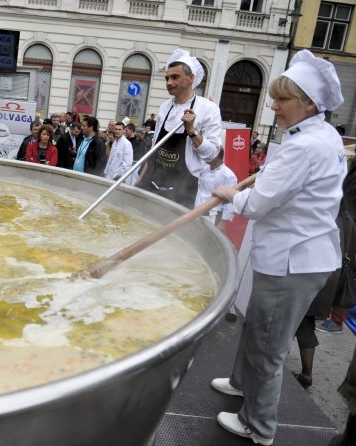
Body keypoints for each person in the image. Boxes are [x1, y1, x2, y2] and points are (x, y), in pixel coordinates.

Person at [210, 49, 347, 446]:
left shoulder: (305, 146)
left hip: (293, 260)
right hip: (298, 254)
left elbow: (255, 205)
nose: (273, 106)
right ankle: (241, 382)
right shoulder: (321, 135)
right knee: (257, 325)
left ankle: (258, 425)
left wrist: (229, 193)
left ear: (309, 103)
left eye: (282, 99)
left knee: (268, 345)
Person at [136, 48, 221, 209]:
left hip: (183, 190)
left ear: (191, 78)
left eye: (175, 77)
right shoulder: (165, 107)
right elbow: (155, 148)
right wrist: (139, 181)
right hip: (152, 182)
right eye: (167, 78)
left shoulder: (208, 109)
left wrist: (192, 131)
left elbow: (213, 155)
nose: (169, 82)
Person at [194, 148, 237, 230]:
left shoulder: (228, 175)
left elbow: (230, 200)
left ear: (215, 156)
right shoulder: (205, 169)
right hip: (197, 211)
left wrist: (223, 221)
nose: (205, 155)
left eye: (208, 153)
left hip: (213, 216)